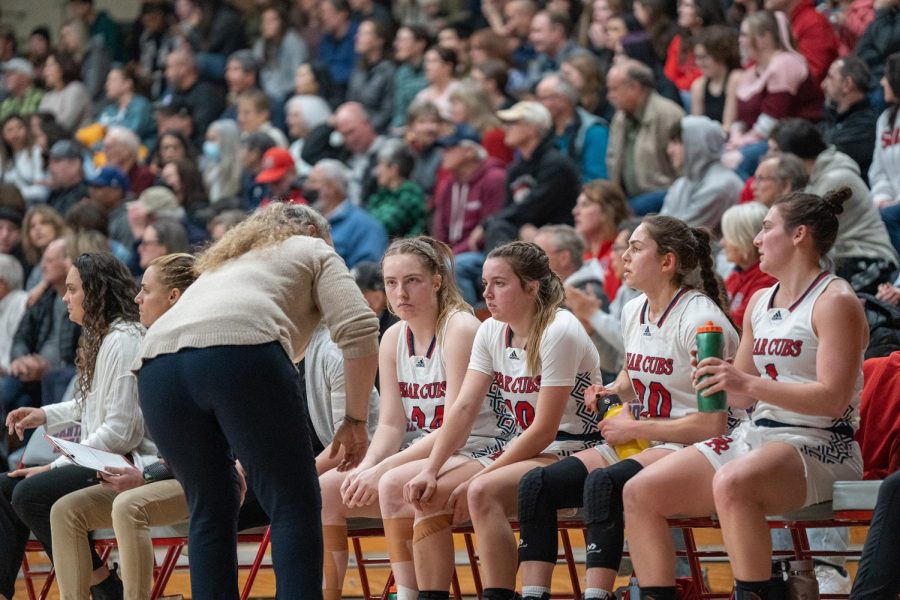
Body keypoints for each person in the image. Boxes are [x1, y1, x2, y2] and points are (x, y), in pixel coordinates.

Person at [623, 188, 867, 600]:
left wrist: (746, 384)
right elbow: (738, 398)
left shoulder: (835, 300)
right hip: (759, 436)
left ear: (799, 235)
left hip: (822, 443)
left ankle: (755, 592)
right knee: (639, 490)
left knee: (733, 481)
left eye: (767, 227)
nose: (756, 239)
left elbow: (832, 400)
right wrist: (711, 378)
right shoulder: (758, 300)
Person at [135, 203, 380, 600]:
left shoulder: (222, 265)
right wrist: (354, 419)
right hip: (240, 352)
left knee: (210, 509)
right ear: (313, 232)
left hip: (154, 367)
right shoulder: (312, 247)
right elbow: (360, 326)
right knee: (294, 502)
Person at [515, 216, 738, 600]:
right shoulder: (635, 310)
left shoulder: (703, 322)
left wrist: (634, 429)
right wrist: (612, 389)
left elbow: (712, 423)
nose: (625, 256)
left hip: (696, 445)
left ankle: (597, 596)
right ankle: (534, 594)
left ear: (667, 262)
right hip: (648, 438)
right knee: (536, 485)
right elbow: (639, 372)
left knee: (604, 484)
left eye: (636, 248)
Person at [403, 241, 602, 600]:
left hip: (574, 447)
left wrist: (482, 474)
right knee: (429, 496)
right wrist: (430, 469)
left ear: (531, 287)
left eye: (499, 283)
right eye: (485, 284)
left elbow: (543, 430)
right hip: (526, 448)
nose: (487, 294)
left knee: (481, 490)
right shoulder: (491, 330)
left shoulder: (560, 330)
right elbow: (462, 409)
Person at [321, 237, 504, 600]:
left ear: (436, 281)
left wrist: (381, 470)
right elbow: (391, 425)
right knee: (328, 490)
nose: (400, 292)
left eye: (412, 280)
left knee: (391, 483)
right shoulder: (391, 337)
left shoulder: (460, 328)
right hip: (427, 453)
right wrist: (368, 465)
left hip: (481, 447)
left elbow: (456, 425)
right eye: (391, 283)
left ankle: (409, 594)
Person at [2, 252, 158, 600]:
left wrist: (56, 466)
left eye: (72, 289)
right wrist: (44, 414)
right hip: (105, 457)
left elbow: (122, 432)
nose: (64, 297)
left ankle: (103, 585)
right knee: (5, 489)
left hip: (129, 463)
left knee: (28, 493)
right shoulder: (107, 336)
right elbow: (94, 402)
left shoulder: (125, 339)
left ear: (96, 291)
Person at [46, 253, 197, 599]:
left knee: (127, 506)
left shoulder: (185, 348)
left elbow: (205, 447)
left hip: (204, 480)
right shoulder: (155, 343)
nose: (136, 297)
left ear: (173, 296)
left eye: (145, 290)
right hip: (163, 471)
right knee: (64, 510)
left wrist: (145, 475)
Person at [771, 118, 899, 293]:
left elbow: (799, 232)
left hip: (868, 260)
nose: (770, 158)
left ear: (792, 154)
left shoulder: (835, 178)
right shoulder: (815, 177)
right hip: (840, 260)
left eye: (775, 151)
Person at [727, 11, 823, 179]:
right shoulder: (752, 71)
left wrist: (740, 143)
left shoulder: (785, 63)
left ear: (764, 37)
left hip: (792, 140)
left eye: (744, 35)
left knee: (736, 161)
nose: (739, 40)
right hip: (758, 138)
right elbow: (741, 118)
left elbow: (772, 119)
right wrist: (735, 136)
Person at [480, 101, 580, 250]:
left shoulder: (556, 164)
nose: (506, 129)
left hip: (557, 237)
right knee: (464, 263)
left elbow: (534, 207)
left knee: (498, 226)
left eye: (513, 124)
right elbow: (512, 208)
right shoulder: (516, 168)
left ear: (531, 129)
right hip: (525, 233)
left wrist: (487, 222)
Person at [606, 60, 684, 215]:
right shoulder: (620, 117)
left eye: (614, 89)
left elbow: (682, 169)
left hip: (662, 195)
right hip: (628, 197)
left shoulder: (668, 115)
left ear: (634, 88)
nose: (610, 96)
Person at [660, 116, 742, 230]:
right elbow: (661, 228)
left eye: (676, 142)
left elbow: (682, 236)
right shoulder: (681, 184)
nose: (669, 150)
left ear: (697, 143)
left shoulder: (720, 186)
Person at [306, 159, 388, 267]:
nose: (306, 186)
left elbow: (365, 275)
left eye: (313, 182)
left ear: (331, 187)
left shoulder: (366, 226)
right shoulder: (308, 220)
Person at [536, 73, 609, 182]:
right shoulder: (542, 129)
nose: (538, 104)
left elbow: (596, 179)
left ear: (563, 100)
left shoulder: (594, 130)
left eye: (543, 98)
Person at [820, 57, 878, 179]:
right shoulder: (832, 116)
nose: (823, 85)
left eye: (830, 77)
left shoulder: (865, 126)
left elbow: (823, 158)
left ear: (847, 84)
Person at [721, 202, 776, 325]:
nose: (722, 243)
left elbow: (736, 326)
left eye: (727, 236)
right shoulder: (737, 273)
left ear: (744, 239)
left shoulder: (767, 279)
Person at [870, 52, 900, 256]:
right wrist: (882, 198)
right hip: (892, 205)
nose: (882, 81)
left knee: (889, 215)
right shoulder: (885, 119)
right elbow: (878, 171)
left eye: (887, 75)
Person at [367, 141, 426, 238]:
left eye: (380, 165)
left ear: (393, 169)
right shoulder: (383, 192)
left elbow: (386, 224)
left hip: (407, 250)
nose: (377, 171)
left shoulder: (411, 193)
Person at [347, 19, 396, 133]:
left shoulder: (389, 71)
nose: (357, 37)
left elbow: (387, 113)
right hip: (354, 128)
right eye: (358, 33)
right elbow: (350, 101)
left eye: (364, 33)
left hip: (376, 131)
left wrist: (363, 128)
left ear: (379, 40)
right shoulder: (358, 69)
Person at [253, 6, 309, 104]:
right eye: (264, 21)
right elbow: (255, 69)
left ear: (282, 22)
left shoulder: (293, 42)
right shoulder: (261, 44)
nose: (267, 25)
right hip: (266, 95)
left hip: (288, 94)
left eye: (272, 20)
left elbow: (298, 74)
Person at [689, 25, 741, 129]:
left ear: (720, 55)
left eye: (703, 57)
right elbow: (697, 127)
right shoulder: (698, 86)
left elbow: (728, 126)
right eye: (697, 58)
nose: (699, 63)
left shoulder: (736, 78)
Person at [97, 65, 156, 149]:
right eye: (108, 80)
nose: (107, 85)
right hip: (106, 155)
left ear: (127, 84)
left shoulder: (141, 106)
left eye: (113, 80)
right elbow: (95, 136)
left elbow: (128, 137)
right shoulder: (108, 110)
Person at [38, 50, 92, 132]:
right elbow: (39, 123)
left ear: (62, 67)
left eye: (49, 66)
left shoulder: (76, 89)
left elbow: (65, 125)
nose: (45, 72)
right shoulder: (48, 96)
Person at [0, 114, 48, 205]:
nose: (15, 133)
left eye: (19, 127)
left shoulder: (36, 152)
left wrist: (13, 194)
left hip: (29, 204)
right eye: (10, 130)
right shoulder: (2, 157)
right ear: (3, 135)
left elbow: (41, 191)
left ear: (26, 129)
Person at [391, 25, 431, 131]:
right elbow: (398, 110)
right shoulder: (401, 72)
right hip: (401, 128)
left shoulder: (430, 71)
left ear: (420, 44)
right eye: (397, 40)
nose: (396, 44)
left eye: (403, 40)